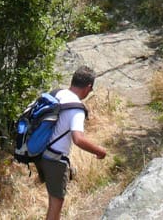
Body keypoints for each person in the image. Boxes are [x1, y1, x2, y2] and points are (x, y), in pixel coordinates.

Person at [36, 66, 107, 220]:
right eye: (91, 89)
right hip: (55, 160)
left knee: (54, 200)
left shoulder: (57, 93)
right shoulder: (76, 108)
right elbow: (78, 139)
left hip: (40, 153)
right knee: (56, 202)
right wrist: (99, 151)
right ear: (88, 87)